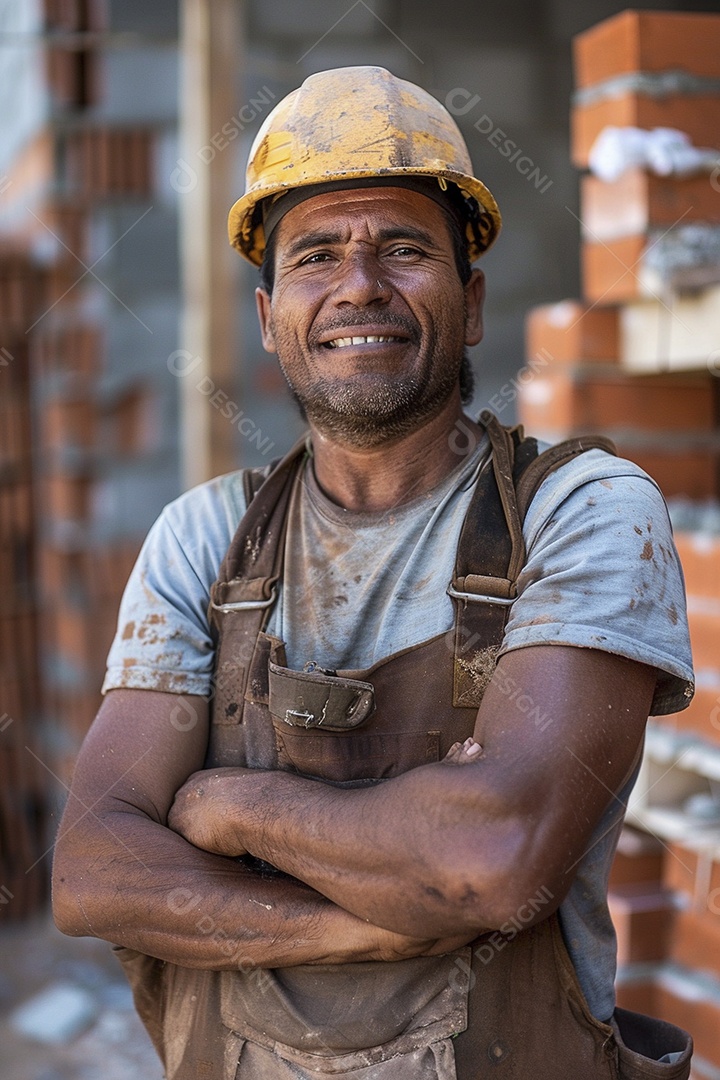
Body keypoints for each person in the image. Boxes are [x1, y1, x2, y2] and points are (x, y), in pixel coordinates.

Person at [52, 67, 695, 1079]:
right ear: (269, 318)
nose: (360, 284)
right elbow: (94, 872)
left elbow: (496, 858)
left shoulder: (584, 512)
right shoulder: (203, 538)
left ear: (471, 301)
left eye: (403, 248)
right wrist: (371, 922)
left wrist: (228, 807)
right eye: (317, 255)